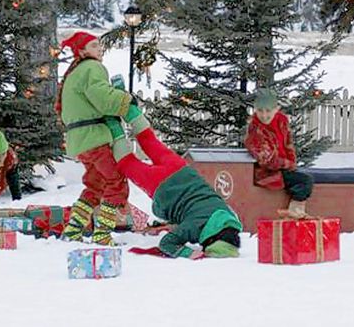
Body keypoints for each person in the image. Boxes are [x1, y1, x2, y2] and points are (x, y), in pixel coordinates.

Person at [104, 110, 243, 259]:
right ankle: (111, 122)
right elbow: (167, 243)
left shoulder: (227, 215)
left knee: (148, 140)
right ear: (211, 240)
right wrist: (189, 253)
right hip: (162, 186)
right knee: (127, 163)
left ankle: (130, 107)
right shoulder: (194, 228)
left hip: (181, 169)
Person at [56, 31, 133, 245]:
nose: (100, 49)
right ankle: (102, 234)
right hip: (94, 138)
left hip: (80, 141)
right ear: (81, 51)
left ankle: (73, 230)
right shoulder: (92, 68)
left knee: (96, 185)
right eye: (94, 46)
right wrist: (126, 100)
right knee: (115, 181)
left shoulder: (74, 73)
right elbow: (102, 97)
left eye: (99, 45)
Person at [243, 89, 314, 219]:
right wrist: (287, 164)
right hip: (267, 173)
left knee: (302, 179)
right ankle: (294, 212)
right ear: (255, 110)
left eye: (268, 111)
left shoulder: (281, 121)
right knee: (305, 181)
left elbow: (288, 143)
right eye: (260, 111)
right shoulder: (255, 130)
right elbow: (267, 160)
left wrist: (292, 162)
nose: (264, 115)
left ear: (276, 109)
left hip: (283, 169)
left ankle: (295, 211)